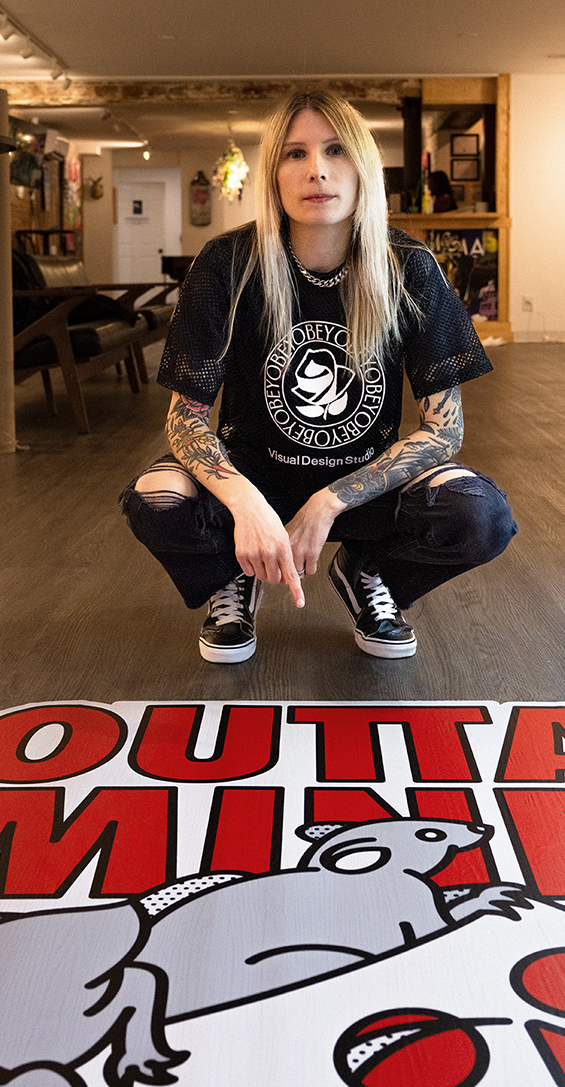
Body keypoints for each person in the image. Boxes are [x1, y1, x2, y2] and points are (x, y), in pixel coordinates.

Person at [120, 90, 516, 664]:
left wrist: (331, 500)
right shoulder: (227, 263)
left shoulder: (410, 268)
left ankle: (366, 569)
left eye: (335, 150)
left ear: (363, 168)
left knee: (480, 516)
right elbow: (185, 422)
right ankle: (233, 573)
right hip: (250, 473)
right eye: (294, 154)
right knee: (156, 499)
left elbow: (443, 432)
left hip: (364, 485)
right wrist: (245, 505)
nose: (317, 170)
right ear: (273, 174)